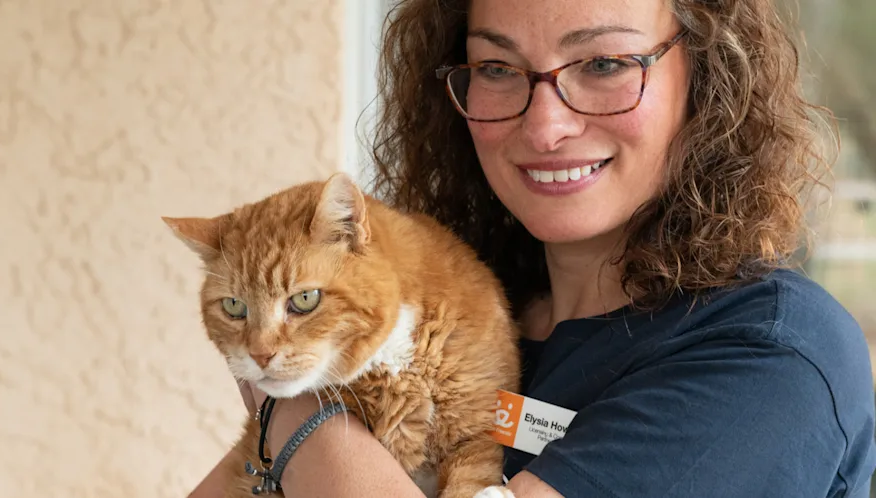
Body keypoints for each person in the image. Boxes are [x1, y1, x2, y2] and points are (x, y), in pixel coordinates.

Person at [188, 0, 876, 496]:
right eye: (496, 67)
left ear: (709, 75)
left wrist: (292, 402)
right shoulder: (466, 318)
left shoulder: (772, 357)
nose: (545, 125)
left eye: (605, 62)